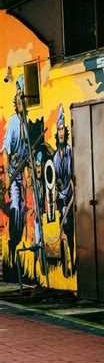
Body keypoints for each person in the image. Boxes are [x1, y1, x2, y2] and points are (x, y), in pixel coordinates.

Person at [1, 75, 28, 265]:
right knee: (16, 206)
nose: (20, 102)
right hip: (13, 173)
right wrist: (8, 176)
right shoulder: (12, 122)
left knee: (25, 209)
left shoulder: (27, 122)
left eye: (22, 99)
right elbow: (4, 150)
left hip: (23, 172)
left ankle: (17, 242)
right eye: (17, 100)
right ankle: (14, 242)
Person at [53, 105, 75, 272]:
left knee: (71, 228)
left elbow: (73, 175)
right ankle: (65, 264)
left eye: (62, 129)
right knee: (63, 230)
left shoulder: (69, 151)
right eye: (58, 129)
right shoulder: (55, 156)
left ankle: (73, 259)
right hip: (60, 198)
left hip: (70, 195)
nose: (61, 132)